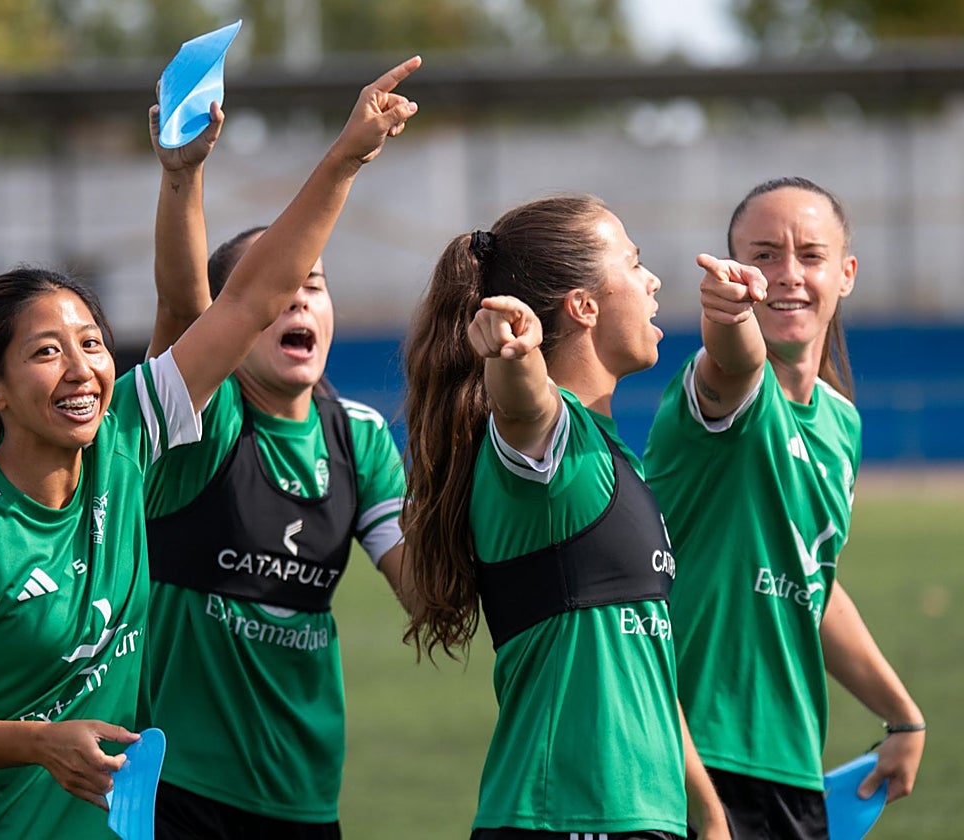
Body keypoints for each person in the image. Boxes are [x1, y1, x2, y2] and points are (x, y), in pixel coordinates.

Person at [0, 55, 419, 839]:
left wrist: (346, 157)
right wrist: (39, 742)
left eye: (91, 342)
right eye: (45, 351)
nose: (82, 368)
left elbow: (248, 299)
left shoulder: (130, 440)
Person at [137, 57, 420, 839]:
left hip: (305, 793)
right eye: (282, 285)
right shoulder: (203, 425)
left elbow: (426, 592)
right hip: (176, 786)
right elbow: (182, 302)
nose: (300, 296)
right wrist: (183, 175)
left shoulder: (359, 438)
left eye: (317, 283)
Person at [402, 196, 729, 840]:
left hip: (640, 818)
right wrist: (515, 355)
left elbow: (643, 665)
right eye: (634, 263)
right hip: (565, 818)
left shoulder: (614, 458)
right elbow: (525, 409)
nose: (653, 280)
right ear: (584, 306)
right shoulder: (548, 451)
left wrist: (709, 816)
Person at [643, 176, 926, 839]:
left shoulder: (841, 424)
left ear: (845, 273)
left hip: (793, 765)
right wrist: (730, 316)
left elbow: (812, 583)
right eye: (764, 254)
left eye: (810, 255)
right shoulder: (724, 390)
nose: (787, 274)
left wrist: (902, 715)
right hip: (686, 756)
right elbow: (733, 361)